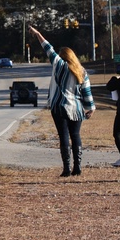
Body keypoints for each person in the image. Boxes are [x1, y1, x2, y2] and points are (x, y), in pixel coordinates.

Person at [28, 25, 95, 177]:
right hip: (77, 108)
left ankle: (66, 167)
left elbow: (47, 47)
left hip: (59, 106)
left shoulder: (59, 64)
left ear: (62, 56)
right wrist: (90, 107)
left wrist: (38, 33)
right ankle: (77, 167)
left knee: (64, 136)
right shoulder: (81, 71)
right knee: (76, 135)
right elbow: (86, 91)